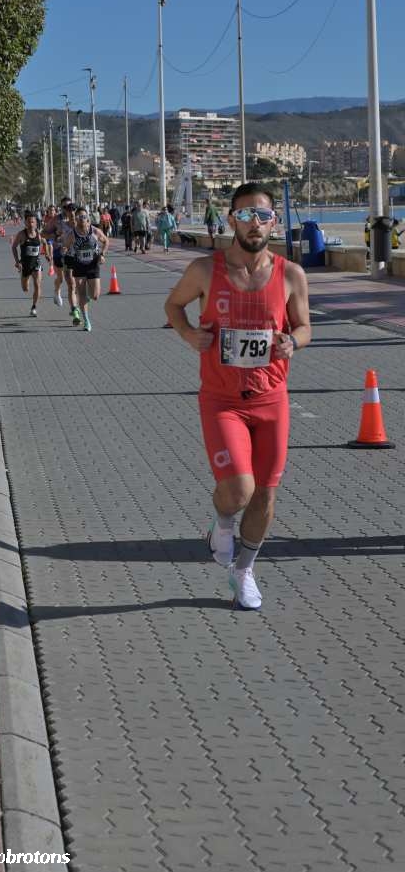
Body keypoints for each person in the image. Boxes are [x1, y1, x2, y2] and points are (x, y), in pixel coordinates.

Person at [163, 184, 312, 611]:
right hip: (222, 400)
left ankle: (244, 571)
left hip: (271, 399)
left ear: (273, 222)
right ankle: (222, 523)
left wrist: (293, 343)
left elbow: (304, 326)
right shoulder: (205, 270)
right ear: (231, 220)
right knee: (239, 490)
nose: (254, 224)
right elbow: (173, 306)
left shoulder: (290, 274)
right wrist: (189, 333)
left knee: (265, 493)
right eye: (246, 215)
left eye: (262, 216)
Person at [62, 206, 109, 332]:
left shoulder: (95, 231)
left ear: (88, 218)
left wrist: (102, 254)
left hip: (93, 264)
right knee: (81, 293)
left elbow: (106, 241)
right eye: (79, 217)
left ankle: (84, 299)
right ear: (76, 219)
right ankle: (86, 321)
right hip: (79, 265)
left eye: (84, 216)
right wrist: (64, 251)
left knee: (95, 296)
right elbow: (65, 246)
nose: (82, 219)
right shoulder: (72, 234)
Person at [11, 211, 49, 317]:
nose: (31, 224)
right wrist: (17, 261)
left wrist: (46, 254)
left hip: (36, 263)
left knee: (37, 284)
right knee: (25, 289)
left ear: (36, 223)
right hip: (25, 264)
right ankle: (24, 277)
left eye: (33, 222)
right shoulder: (21, 234)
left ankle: (34, 307)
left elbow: (45, 243)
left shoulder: (39, 234)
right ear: (25, 223)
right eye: (29, 222)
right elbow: (14, 247)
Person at [41, 204, 65, 307]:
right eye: (50, 210)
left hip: (67, 248)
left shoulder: (62, 218)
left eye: (53, 210)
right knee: (61, 277)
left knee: (72, 277)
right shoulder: (47, 219)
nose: (52, 211)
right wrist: (54, 235)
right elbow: (43, 231)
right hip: (54, 243)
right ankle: (51, 262)